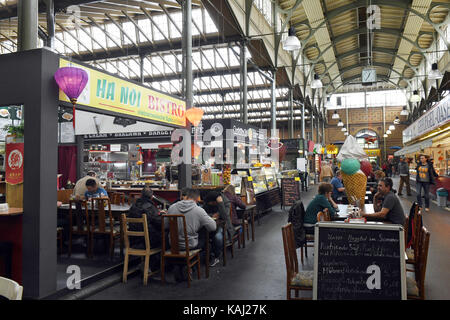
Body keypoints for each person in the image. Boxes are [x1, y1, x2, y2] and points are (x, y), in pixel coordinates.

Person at [167, 189, 216, 280]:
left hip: (173, 245)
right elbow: (213, 227)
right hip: (190, 245)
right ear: (197, 198)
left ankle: (180, 265)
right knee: (205, 238)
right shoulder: (199, 210)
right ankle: (191, 265)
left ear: (186, 196)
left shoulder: (172, 207)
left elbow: (165, 225)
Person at [202, 190, 236, 266]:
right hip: (209, 224)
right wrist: (211, 215)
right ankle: (207, 254)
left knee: (218, 237)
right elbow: (203, 212)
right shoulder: (209, 199)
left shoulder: (226, 202)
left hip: (224, 226)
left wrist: (220, 203)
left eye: (211, 203)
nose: (210, 204)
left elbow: (225, 216)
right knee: (201, 234)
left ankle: (217, 255)